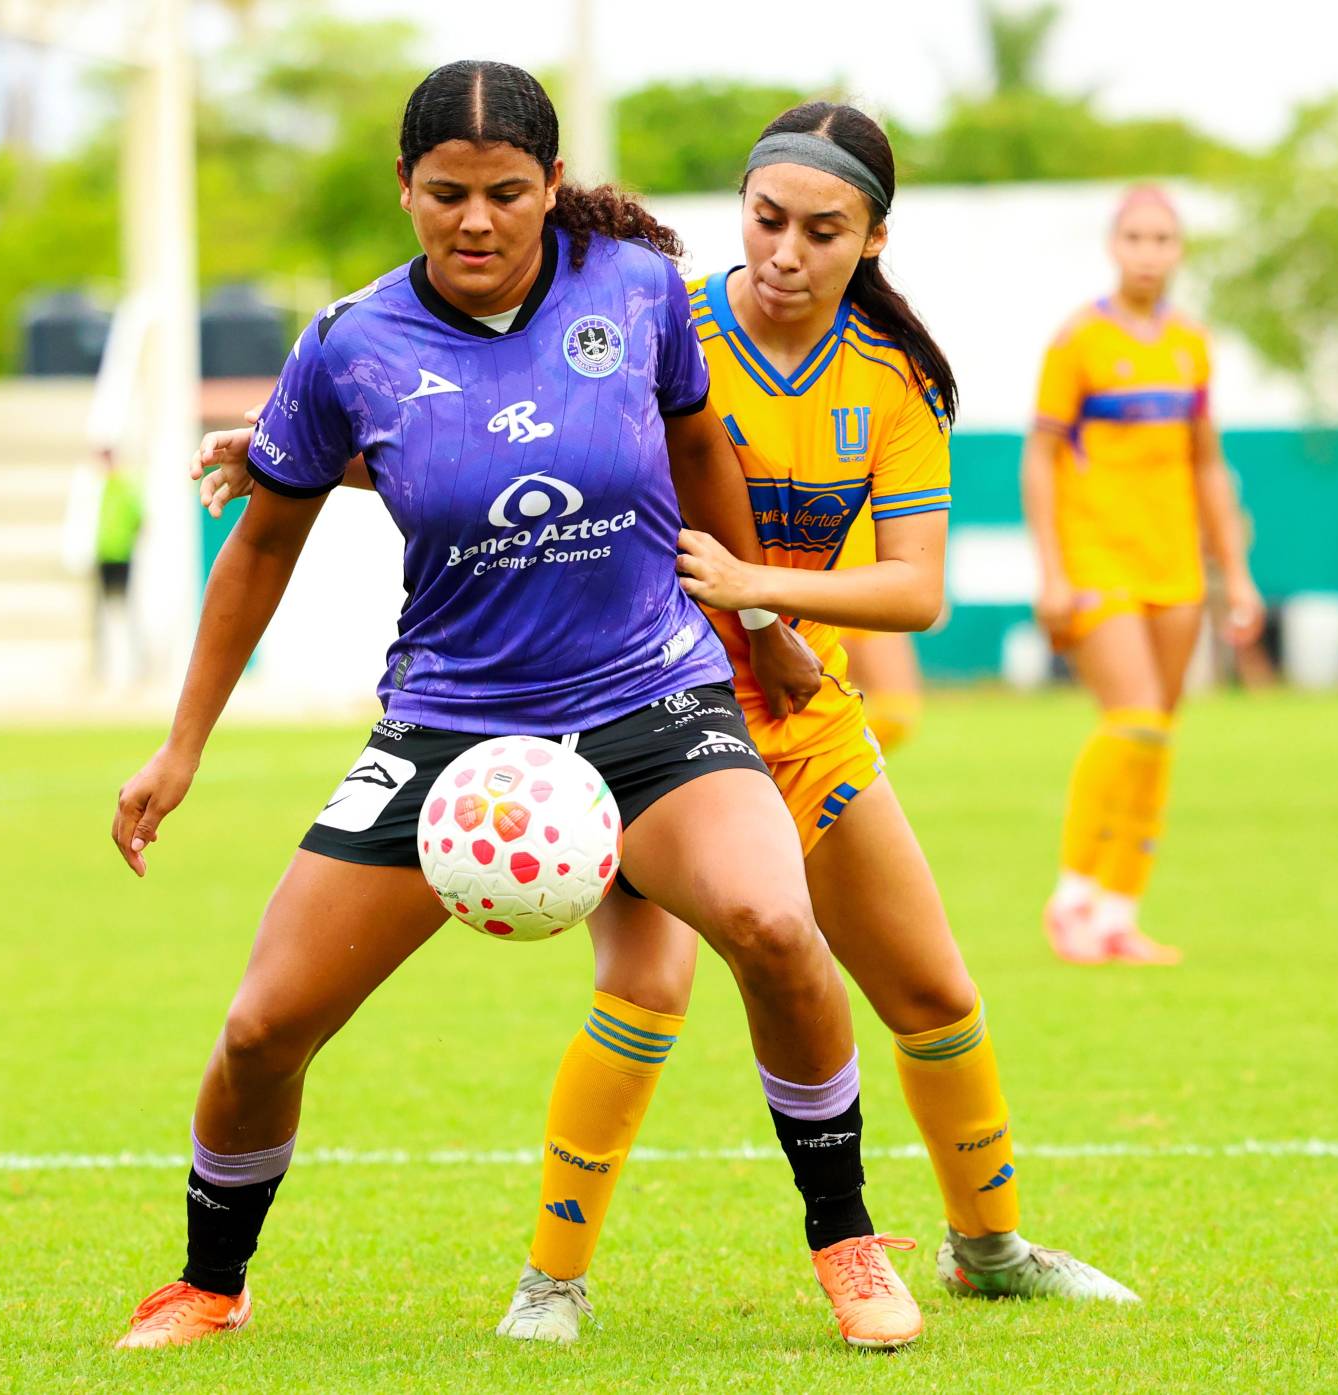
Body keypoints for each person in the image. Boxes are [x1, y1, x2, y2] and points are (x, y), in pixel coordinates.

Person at [199, 100, 1138, 1349]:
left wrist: (762, 598)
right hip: (634, 702)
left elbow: (916, 591)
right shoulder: (653, 309)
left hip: (796, 708)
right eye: (765, 219)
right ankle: (551, 1279)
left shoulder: (893, 379)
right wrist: (298, 455)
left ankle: (990, 1246)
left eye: (822, 229)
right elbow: (492, 425)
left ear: (870, 241)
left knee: (927, 989)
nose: (785, 251)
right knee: (642, 991)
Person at [110, 61, 911, 1354]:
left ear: (548, 187)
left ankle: (848, 1237)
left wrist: (767, 631)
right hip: (451, 726)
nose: (473, 222)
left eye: (502, 193)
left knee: (772, 920)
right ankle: (211, 1276)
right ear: (404, 189)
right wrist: (181, 742)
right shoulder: (350, 344)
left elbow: (700, 448)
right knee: (263, 1021)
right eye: (444, 196)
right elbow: (262, 541)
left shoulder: (637, 289)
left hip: (651, 694)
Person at [1022, 185, 1263, 966]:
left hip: (1176, 568)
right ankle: (1071, 899)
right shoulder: (1077, 343)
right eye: (1136, 237)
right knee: (1132, 719)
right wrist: (1053, 572)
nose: (1149, 252)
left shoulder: (1192, 345)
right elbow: (1040, 456)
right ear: (1113, 245)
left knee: (1159, 738)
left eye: (1163, 239)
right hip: (1098, 560)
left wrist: (1239, 573)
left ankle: (1119, 915)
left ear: (1179, 249)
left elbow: (1209, 464)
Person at [91, 448, 145, 687]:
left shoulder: (123, 486)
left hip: (120, 554)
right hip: (105, 554)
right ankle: (111, 670)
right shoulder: (101, 487)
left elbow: (139, 517)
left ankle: (127, 671)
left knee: (122, 611)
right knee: (109, 612)